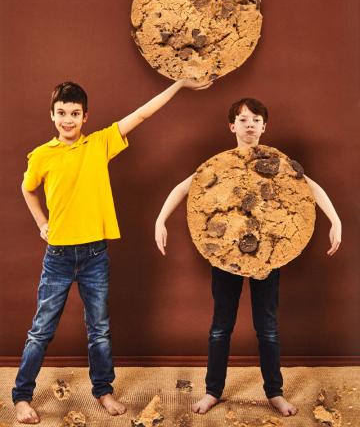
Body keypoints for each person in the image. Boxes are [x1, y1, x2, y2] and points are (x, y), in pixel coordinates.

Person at [13, 78, 212, 424]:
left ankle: (103, 390)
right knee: (41, 330)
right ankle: (21, 397)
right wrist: (41, 224)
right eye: (61, 113)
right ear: (52, 115)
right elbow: (27, 189)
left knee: (99, 329)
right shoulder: (42, 156)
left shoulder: (100, 144)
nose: (68, 119)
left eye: (75, 113)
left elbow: (142, 115)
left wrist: (179, 84)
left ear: (86, 116)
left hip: (94, 256)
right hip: (58, 257)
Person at [155, 98, 342, 417]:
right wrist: (160, 219)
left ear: (265, 126)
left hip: (268, 256)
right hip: (226, 255)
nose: (250, 124)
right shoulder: (219, 164)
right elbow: (184, 187)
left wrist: (335, 220)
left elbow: (311, 187)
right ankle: (213, 390)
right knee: (220, 327)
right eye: (243, 120)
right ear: (232, 126)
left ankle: (275, 393)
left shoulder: (277, 163)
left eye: (256, 119)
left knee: (267, 327)